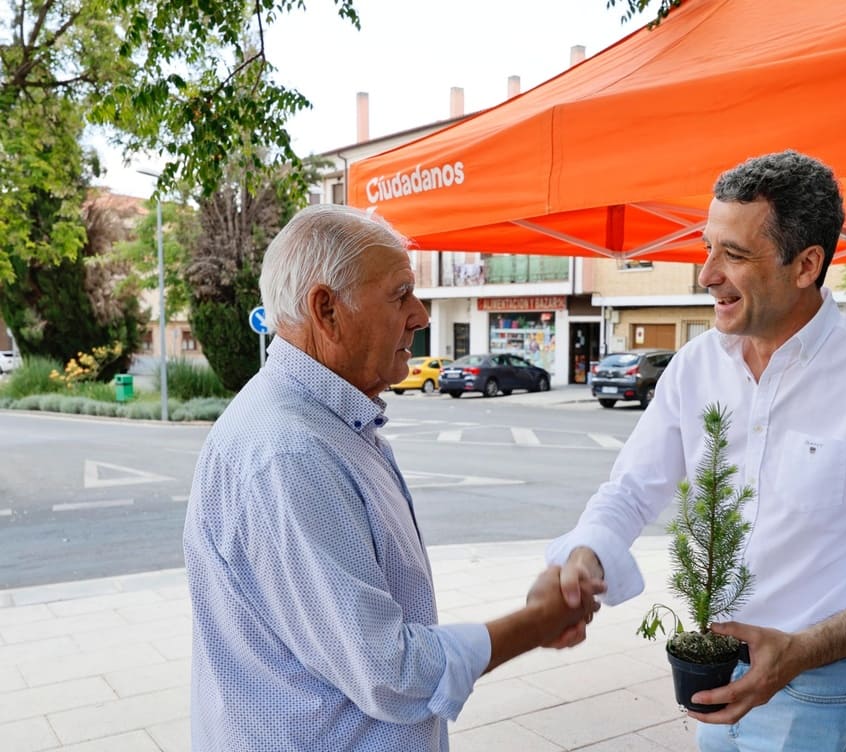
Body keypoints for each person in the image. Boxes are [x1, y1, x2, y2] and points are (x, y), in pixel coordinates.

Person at [549, 151, 846, 751]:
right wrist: (587, 551)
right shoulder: (696, 365)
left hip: (825, 685)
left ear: (806, 265)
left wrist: (801, 651)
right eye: (707, 247)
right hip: (716, 668)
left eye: (735, 255)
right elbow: (632, 488)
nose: (707, 274)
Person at [182, 204, 600, 751]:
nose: (421, 315)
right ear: (326, 309)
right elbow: (390, 671)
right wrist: (537, 622)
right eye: (400, 294)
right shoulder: (290, 452)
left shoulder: (324, 422)